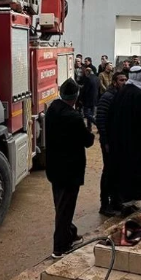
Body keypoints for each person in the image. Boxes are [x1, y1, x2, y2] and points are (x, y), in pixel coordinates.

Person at [45, 79, 94, 258]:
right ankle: (60, 247)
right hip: (69, 170)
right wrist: (90, 134)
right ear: (75, 97)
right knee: (65, 208)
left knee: (61, 204)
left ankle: (70, 234)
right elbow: (87, 141)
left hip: (54, 168)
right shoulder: (73, 117)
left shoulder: (52, 109)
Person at [106, 72, 141, 209]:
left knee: (123, 172)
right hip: (137, 144)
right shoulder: (139, 94)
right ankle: (130, 201)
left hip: (121, 142)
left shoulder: (121, 93)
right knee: (135, 173)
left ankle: (123, 200)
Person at [95, 71, 127, 216]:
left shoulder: (121, 96)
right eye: (121, 80)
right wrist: (106, 141)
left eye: (126, 80)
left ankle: (116, 200)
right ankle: (104, 204)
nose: (124, 82)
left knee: (118, 171)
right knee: (108, 172)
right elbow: (100, 120)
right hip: (109, 142)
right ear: (114, 82)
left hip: (119, 142)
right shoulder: (107, 97)